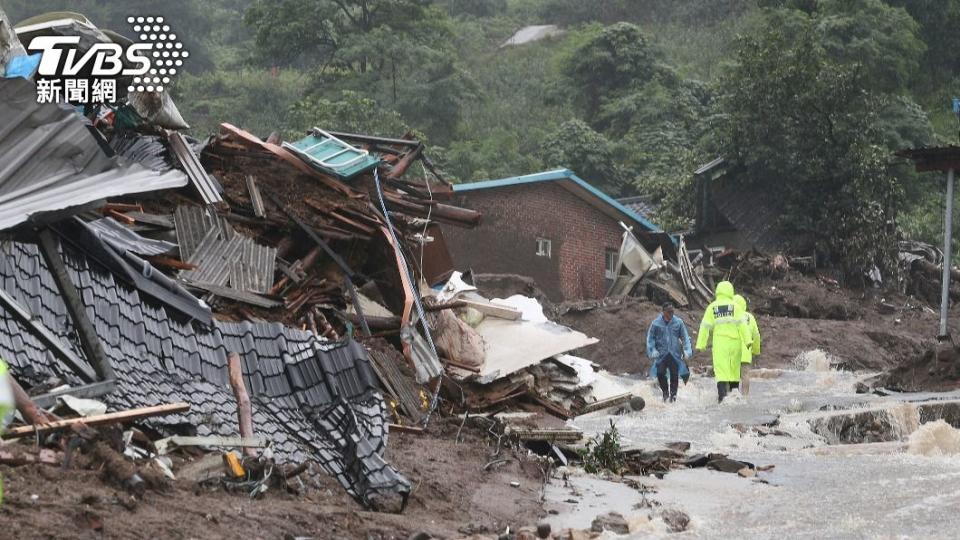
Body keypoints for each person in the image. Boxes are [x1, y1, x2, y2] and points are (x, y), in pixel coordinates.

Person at [696, 281, 752, 403]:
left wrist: (701, 344)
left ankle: (722, 399)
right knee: (734, 370)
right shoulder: (735, 307)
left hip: (720, 344)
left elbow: (705, 326)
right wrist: (748, 341)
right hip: (735, 344)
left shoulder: (712, 307)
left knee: (721, 371)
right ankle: (735, 396)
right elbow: (743, 325)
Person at [646, 302, 692, 403]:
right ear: (663, 312)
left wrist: (687, 351)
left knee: (674, 376)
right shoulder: (656, 323)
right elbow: (650, 338)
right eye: (669, 311)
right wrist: (652, 350)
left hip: (674, 354)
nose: (671, 313)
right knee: (660, 373)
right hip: (661, 355)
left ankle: (673, 397)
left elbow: (685, 338)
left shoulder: (678, 322)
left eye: (672, 311)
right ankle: (665, 393)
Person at [734, 294, 762, 396]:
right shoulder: (750, 317)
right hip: (746, 351)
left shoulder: (730, 317)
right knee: (745, 375)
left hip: (732, 352)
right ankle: (745, 397)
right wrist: (756, 351)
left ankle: (732, 396)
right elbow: (756, 335)